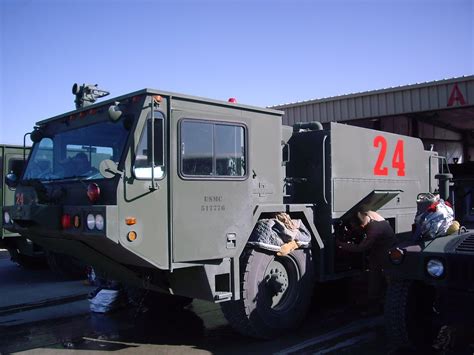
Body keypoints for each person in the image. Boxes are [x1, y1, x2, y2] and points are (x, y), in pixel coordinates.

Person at [337, 206, 397, 314]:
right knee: (375, 271)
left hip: (386, 248)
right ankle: (377, 298)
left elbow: (361, 248)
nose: (355, 230)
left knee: (382, 274)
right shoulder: (368, 214)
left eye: (356, 228)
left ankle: (389, 303)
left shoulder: (374, 230)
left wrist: (342, 245)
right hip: (379, 245)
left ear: (362, 225)